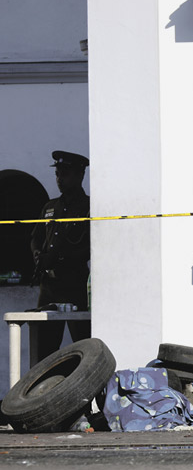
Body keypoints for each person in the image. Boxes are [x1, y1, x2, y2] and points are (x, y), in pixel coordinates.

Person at [30, 150, 91, 361]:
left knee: (84, 344)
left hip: (75, 284)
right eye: (57, 174)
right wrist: (38, 255)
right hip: (49, 286)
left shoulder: (88, 207)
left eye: (65, 174)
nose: (59, 179)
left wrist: (62, 259)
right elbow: (36, 237)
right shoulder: (50, 207)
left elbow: (91, 245)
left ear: (80, 175)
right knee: (44, 349)